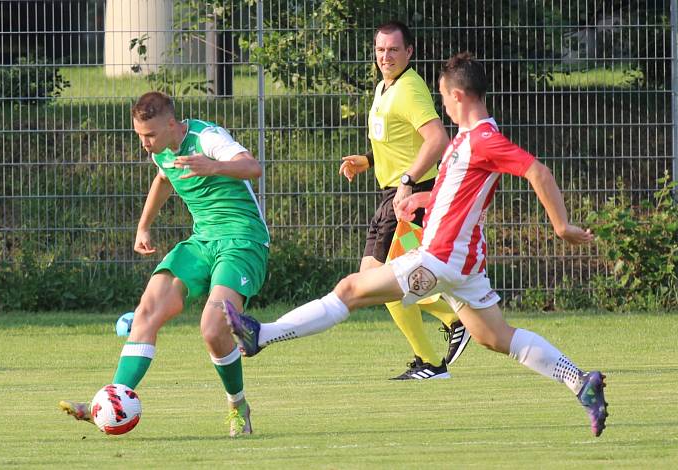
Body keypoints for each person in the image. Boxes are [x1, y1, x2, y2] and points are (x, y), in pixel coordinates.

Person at [225, 52, 609, 437]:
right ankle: (580, 381)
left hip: (441, 258)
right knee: (495, 337)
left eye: (442, 96)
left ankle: (261, 335)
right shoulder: (464, 141)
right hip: (464, 263)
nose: (441, 103)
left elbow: (537, 172)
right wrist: (419, 200)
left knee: (350, 289)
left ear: (458, 95)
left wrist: (561, 226)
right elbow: (455, 194)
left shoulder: (484, 140)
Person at [60, 91, 269, 437]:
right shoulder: (162, 150)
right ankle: (112, 400)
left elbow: (252, 167)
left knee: (213, 329)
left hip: (242, 240)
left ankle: (238, 406)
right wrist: (144, 226)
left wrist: (213, 165)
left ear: (172, 124)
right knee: (147, 312)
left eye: (151, 135)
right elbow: (163, 178)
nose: (145, 143)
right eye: (140, 136)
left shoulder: (207, 138)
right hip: (202, 242)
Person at [339, 20, 470, 380]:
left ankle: (448, 330)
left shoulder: (409, 88)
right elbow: (398, 142)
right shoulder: (385, 87)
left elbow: (437, 140)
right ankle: (443, 337)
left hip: (410, 199)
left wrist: (408, 182)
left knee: (380, 280)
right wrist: (366, 160)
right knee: (383, 280)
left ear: (409, 52)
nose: (386, 56)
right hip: (393, 197)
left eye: (394, 50)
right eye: (381, 50)